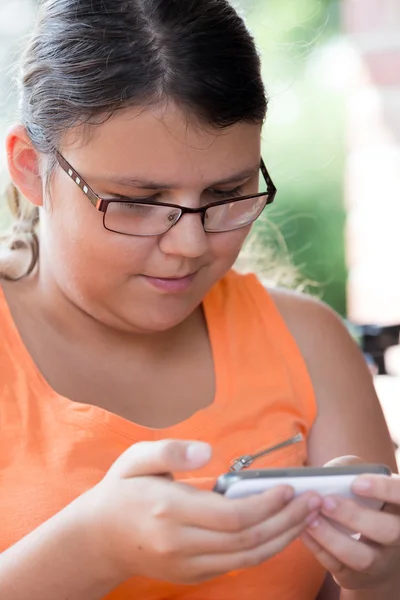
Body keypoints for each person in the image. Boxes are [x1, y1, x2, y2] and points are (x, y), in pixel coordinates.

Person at [0, 1, 399, 599]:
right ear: (32, 169)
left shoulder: (310, 345)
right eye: (138, 200)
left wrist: (381, 574)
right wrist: (90, 547)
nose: (189, 245)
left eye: (226, 192)